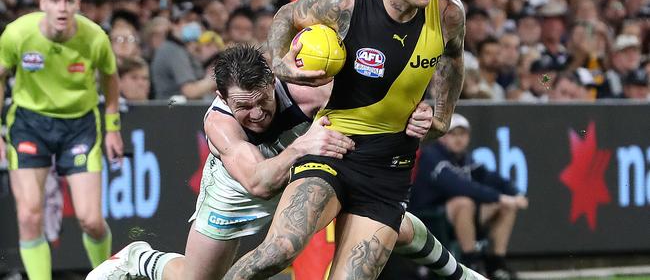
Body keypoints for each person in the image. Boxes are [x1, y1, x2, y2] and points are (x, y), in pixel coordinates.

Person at [87, 45, 484, 280]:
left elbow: (376, 103)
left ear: (271, 80)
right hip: (237, 193)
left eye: (263, 99)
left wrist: (419, 114)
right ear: (224, 98)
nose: (257, 113)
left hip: (305, 177)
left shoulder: (306, 90)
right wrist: (300, 146)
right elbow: (257, 183)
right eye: (244, 106)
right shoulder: (219, 124)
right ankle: (140, 257)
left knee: (383, 216)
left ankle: (460, 274)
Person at [224, 0, 466, 280]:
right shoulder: (344, 3)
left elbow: (453, 58)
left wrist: (440, 118)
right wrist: (281, 66)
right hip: (334, 148)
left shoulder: (448, 14)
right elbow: (286, 16)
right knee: (278, 252)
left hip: (390, 167)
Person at [0, 0, 123, 280]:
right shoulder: (17, 34)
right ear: (42, 3)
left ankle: (104, 275)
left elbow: (110, 78)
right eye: (55, 0)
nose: (62, 8)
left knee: (91, 220)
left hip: (79, 125)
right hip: (29, 124)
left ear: (78, 4)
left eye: (69, 1)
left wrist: (112, 128)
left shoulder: (94, 37)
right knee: (29, 215)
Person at [410, 113, 528, 280]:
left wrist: (516, 194)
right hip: (429, 217)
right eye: (453, 134)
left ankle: (496, 264)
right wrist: (499, 197)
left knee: (506, 207)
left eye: (462, 134)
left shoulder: (465, 158)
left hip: (456, 217)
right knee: (464, 202)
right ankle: (471, 261)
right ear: (443, 137)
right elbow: (457, 186)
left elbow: (490, 177)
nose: (458, 139)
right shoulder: (431, 156)